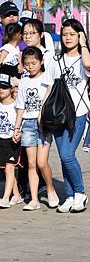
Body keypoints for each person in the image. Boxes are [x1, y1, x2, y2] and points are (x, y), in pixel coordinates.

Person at [43, 19, 90, 213]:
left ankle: (80, 193)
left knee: (67, 155)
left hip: (79, 113)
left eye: (72, 34)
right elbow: (49, 87)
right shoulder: (55, 61)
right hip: (57, 114)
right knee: (63, 157)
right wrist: (43, 113)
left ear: (80, 35)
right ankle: (70, 195)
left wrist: (83, 44)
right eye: (65, 34)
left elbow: (89, 67)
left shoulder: (86, 57)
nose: (67, 38)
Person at [13, 47, 59, 210]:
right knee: (31, 164)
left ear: (41, 62)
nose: (30, 67)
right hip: (28, 124)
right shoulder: (24, 81)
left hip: (44, 124)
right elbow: (20, 107)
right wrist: (16, 128)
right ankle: (34, 199)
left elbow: (51, 95)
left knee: (41, 162)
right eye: (27, 64)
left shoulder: (47, 78)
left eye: (34, 63)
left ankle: (51, 188)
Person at [0, 73, 22, 208]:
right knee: (8, 170)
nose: (1, 89)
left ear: (11, 89)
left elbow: (22, 120)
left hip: (13, 141)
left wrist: (20, 132)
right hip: (1, 141)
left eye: (4, 87)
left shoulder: (16, 105)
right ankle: (17, 195)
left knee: (9, 168)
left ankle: (5, 198)